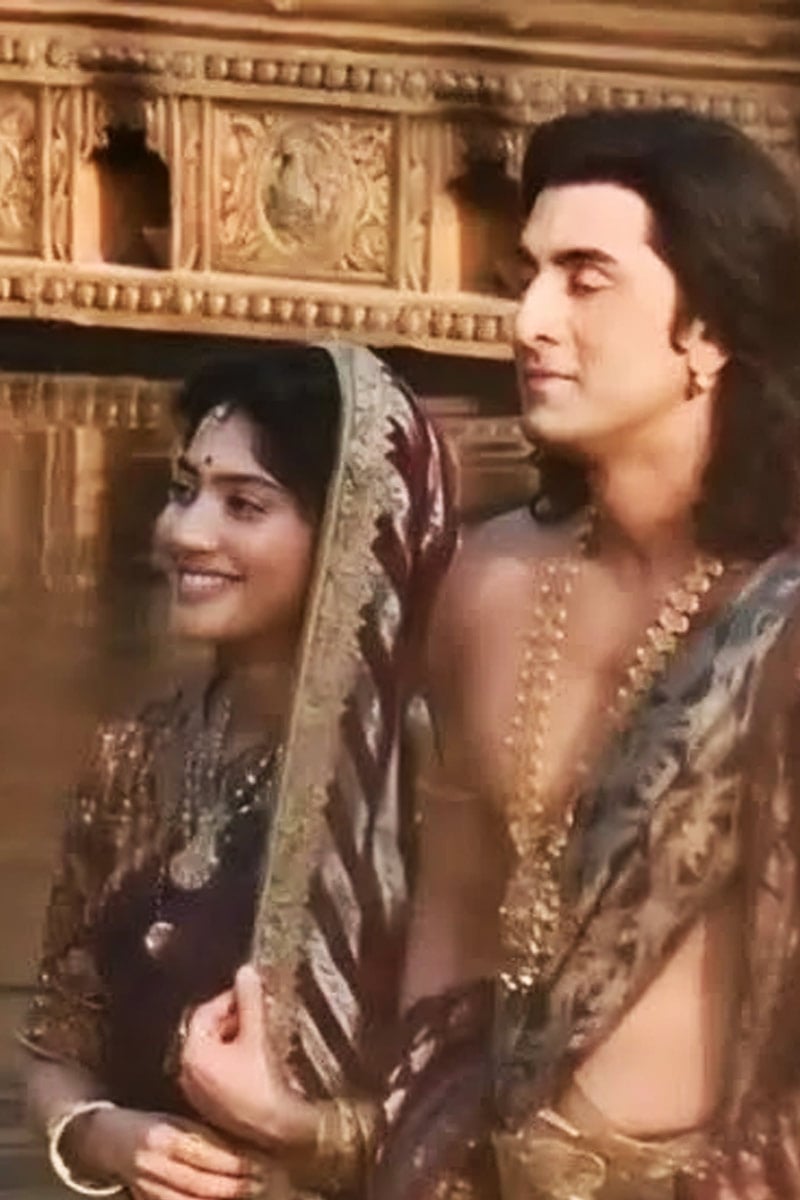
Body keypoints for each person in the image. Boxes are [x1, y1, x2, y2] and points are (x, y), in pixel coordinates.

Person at [372, 108, 800, 1200]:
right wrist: (410, 1137)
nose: (529, 321)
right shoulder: (484, 583)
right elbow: (455, 903)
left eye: (585, 278)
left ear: (708, 329)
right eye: (529, 275)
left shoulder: (783, 614)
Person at [19, 342, 456, 1199]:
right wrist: (100, 1136)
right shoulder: (135, 753)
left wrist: (304, 1136)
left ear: (355, 532)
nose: (185, 532)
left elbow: (480, 1113)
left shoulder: (421, 780)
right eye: (183, 490)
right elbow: (57, 1043)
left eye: (244, 504)